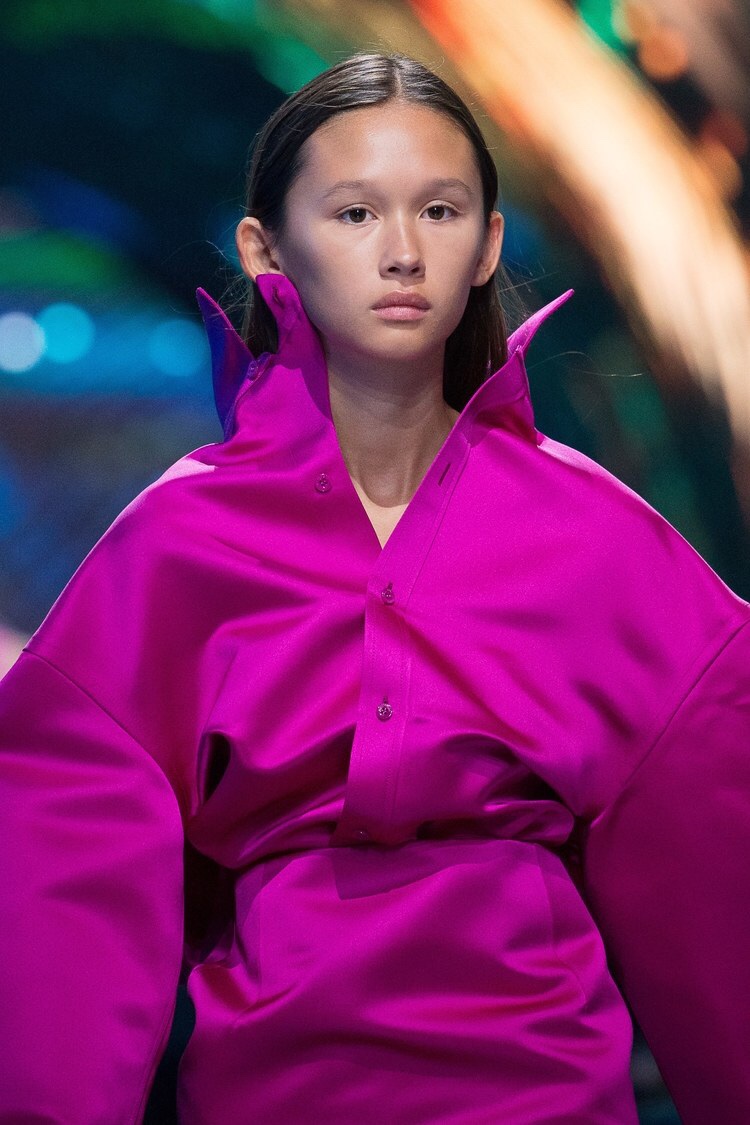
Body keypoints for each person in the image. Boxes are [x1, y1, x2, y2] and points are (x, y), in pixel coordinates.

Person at [1, 51, 749, 1125]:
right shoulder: (173, 546)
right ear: (265, 246)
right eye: (355, 213)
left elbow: (717, 890)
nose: (402, 252)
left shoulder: (600, 539)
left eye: (440, 211)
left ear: (487, 244)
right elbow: (68, 900)